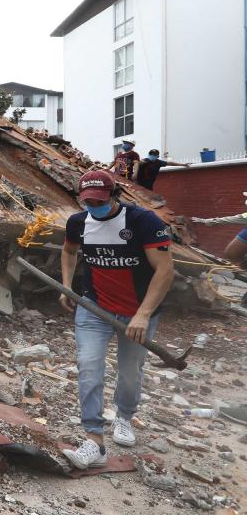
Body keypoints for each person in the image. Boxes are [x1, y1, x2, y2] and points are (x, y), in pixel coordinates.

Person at [60, 170, 174, 469]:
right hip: (94, 308)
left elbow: (165, 271)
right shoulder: (78, 223)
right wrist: (68, 285)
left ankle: (124, 416)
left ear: (114, 196)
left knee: (129, 371)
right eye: (87, 202)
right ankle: (94, 441)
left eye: (99, 201)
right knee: (89, 366)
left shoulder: (143, 222)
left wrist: (143, 314)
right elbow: (69, 252)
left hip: (136, 312)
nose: (93, 207)